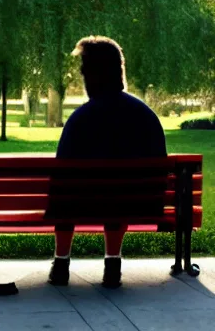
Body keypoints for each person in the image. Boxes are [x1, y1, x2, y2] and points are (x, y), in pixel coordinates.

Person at [48, 36, 167, 288]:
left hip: (83, 204)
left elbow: (61, 176)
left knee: (63, 195)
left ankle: (61, 263)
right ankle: (112, 264)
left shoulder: (81, 119)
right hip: (139, 203)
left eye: (83, 71)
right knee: (120, 195)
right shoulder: (145, 116)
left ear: (91, 74)